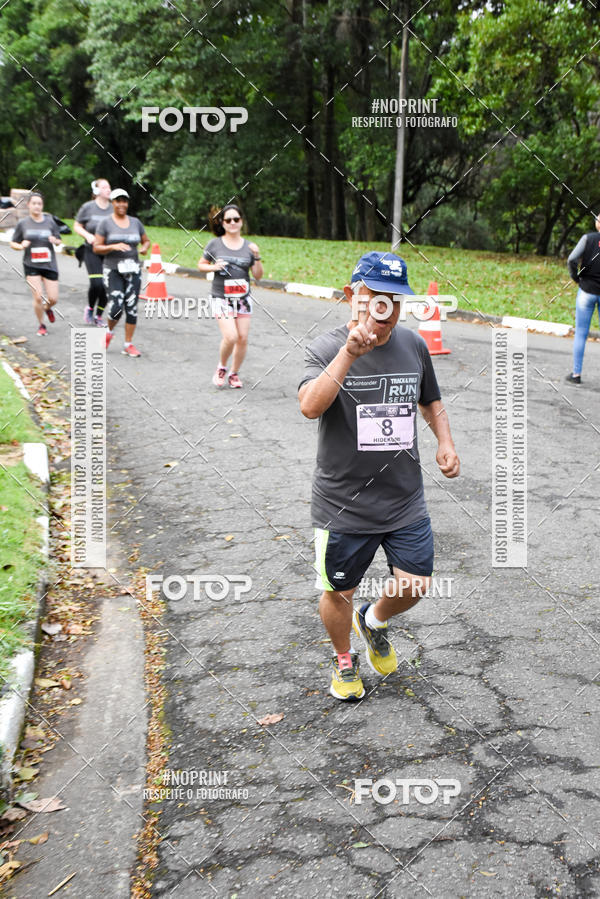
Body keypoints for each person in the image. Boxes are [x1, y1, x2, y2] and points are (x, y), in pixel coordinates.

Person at [298, 251, 460, 701]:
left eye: (395, 300)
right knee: (338, 590)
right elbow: (310, 405)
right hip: (343, 502)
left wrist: (445, 442)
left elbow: (430, 399)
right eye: (374, 299)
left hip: (404, 496)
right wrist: (349, 354)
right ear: (352, 296)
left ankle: (373, 619)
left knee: (416, 583)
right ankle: (344, 660)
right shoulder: (326, 348)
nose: (385, 310)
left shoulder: (413, 344)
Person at [197, 204, 263, 388]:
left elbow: (257, 275)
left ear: (241, 221)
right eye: (228, 220)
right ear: (222, 223)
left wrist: (256, 257)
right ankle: (222, 367)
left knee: (242, 337)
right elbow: (201, 264)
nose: (233, 223)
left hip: (243, 298)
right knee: (231, 336)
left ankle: (234, 374)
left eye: (236, 219)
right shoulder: (215, 244)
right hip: (221, 297)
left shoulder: (250, 246)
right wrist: (213, 267)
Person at [94, 189, 150, 357]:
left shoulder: (135, 222)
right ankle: (109, 332)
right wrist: (112, 246)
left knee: (132, 307)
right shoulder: (105, 223)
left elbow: (146, 240)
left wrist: (144, 248)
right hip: (113, 270)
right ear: (112, 203)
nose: (122, 204)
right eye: (118, 201)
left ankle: (128, 344)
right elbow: (96, 247)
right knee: (116, 306)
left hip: (133, 269)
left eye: (124, 201)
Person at [10, 191, 62, 337]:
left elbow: (59, 240)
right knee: (38, 297)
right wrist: (21, 246)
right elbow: (13, 242)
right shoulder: (23, 223)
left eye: (39, 204)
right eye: (34, 203)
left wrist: (55, 240)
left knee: (53, 299)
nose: (37, 206)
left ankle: (47, 308)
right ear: (28, 205)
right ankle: (42, 325)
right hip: (31, 264)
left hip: (49, 264)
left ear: (42, 205)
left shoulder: (50, 221)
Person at [566, 215, 600, 385]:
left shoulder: (587, 239)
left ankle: (576, 375)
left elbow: (572, 259)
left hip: (586, 290)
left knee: (581, 333)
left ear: (597, 224)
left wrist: (576, 278)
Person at [74, 178, 112, 326]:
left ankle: (99, 315)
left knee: (106, 286)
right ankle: (90, 308)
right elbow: (77, 226)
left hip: (109, 252)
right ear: (96, 191)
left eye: (109, 187)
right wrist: (88, 235)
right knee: (97, 284)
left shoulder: (113, 208)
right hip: (91, 251)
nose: (108, 190)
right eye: (104, 187)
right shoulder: (88, 207)